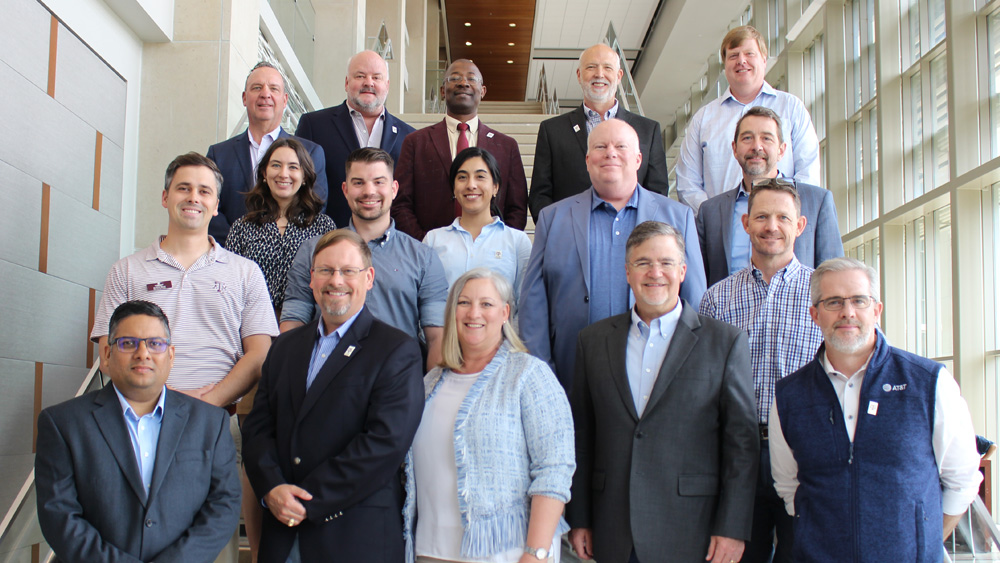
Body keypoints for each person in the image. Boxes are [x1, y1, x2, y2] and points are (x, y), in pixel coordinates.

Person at [91, 152, 279, 563]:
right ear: (164, 197)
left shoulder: (245, 272)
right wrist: (158, 403)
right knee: (131, 539)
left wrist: (203, 403)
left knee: (213, 546)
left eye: (204, 191)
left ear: (216, 204)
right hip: (137, 425)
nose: (193, 197)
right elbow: (107, 350)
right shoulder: (127, 271)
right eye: (183, 188)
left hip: (214, 424)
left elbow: (261, 353)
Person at [769, 257, 983, 562]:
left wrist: (923, 542)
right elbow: (789, 486)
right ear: (815, 314)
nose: (848, 312)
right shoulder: (789, 396)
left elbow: (962, 480)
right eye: (833, 302)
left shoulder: (928, 383)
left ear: (877, 310)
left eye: (859, 300)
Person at [568, 221, 757, 563]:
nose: (655, 272)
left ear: (683, 271)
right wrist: (579, 517)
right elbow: (583, 436)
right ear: (627, 272)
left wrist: (733, 526)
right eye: (643, 263)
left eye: (666, 263)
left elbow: (741, 445)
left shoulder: (725, 342)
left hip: (693, 530)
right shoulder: (592, 341)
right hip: (613, 529)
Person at [242, 229, 425, 563]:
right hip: (282, 536)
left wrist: (305, 501)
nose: (335, 280)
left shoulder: (396, 350)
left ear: (369, 278)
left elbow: (384, 444)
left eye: (347, 271)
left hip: (353, 538)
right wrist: (272, 489)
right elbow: (257, 428)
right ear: (311, 279)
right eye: (325, 270)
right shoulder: (284, 347)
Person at [37, 300, 241, 562]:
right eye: (128, 343)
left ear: (171, 355)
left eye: (155, 344)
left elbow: (224, 505)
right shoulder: (63, 423)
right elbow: (59, 515)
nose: (143, 353)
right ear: (107, 354)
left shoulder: (210, 423)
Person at [519, 118, 707, 391]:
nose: (610, 153)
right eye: (600, 146)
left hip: (657, 379)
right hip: (571, 377)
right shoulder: (552, 218)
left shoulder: (678, 217)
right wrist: (542, 374)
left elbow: (695, 302)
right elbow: (533, 304)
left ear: (639, 158)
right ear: (586, 159)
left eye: (621, 146)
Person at [403, 268, 575, 563]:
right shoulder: (429, 383)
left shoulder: (529, 374)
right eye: (464, 302)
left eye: (486, 304)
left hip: (506, 553)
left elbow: (554, 469)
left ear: (505, 312)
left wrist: (535, 553)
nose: (474, 313)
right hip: (430, 551)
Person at [699, 179, 823, 563]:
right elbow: (703, 382)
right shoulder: (717, 298)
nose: (772, 226)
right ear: (745, 223)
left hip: (806, 452)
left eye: (783, 217)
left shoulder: (825, 293)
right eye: (762, 216)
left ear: (799, 225)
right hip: (739, 454)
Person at [281, 148, 449, 371]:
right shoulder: (313, 251)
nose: (369, 191)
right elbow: (294, 323)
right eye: (358, 183)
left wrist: (427, 396)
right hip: (326, 378)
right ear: (345, 189)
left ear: (394, 188)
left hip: (397, 379)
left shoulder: (423, 257)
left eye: (379, 182)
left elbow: (437, 337)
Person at [675, 25, 820, 214]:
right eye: (733, 56)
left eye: (749, 54)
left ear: (764, 59)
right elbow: (687, 183)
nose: (741, 61)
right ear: (725, 64)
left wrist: (782, 213)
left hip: (779, 228)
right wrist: (716, 217)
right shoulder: (704, 119)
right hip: (722, 232)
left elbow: (808, 173)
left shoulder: (792, 108)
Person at [698, 106, 843, 287]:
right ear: (734, 149)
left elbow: (835, 277)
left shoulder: (817, 202)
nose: (757, 146)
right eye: (747, 138)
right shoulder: (710, 212)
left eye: (766, 138)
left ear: (782, 150)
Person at [528, 43, 669, 222]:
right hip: (572, 238)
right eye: (591, 67)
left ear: (618, 76)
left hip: (633, 241)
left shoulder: (648, 130)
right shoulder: (552, 130)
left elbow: (657, 193)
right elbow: (540, 195)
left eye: (607, 68)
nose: (599, 74)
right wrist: (558, 231)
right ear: (579, 75)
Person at [392, 59, 528, 240]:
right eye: (454, 78)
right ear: (442, 91)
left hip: (491, 255)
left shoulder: (506, 146)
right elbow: (401, 203)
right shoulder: (416, 142)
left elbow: (517, 207)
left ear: (483, 91)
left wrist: (498, 244)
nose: (463, 83)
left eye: (471, 79)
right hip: (428, 254)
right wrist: (424, 246)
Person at [207, 62, 328, 246]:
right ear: (244, 98)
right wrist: (240, 246)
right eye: (257, 88)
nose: (265, 94)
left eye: (273, 88)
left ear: (285, 100)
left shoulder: (311, 152)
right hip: (232, 260)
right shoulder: (218, 154)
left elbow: (315, 208)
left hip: (292, 262)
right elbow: (209, 207)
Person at [295, 50, 415, 227]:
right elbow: (300, 189)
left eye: (376, 77)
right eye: (360, 76)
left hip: (389, 245)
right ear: (346, 82)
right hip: (330, 241)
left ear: (387, 85)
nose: (369, 83)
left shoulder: (410, 137)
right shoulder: (313, 126)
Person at [225, 137, 337, 310]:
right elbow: (229, 284)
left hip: (304, 326)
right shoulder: (242, 227)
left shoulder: (323, 227)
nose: (283, 174)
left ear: (305, 176)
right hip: (251, 326)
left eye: (293, 167)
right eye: (276, 165)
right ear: (264, 173)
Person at [423, 147, 531, 314]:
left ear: (495, 187)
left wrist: (509, 340)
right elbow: (426, 301)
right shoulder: (433, 240)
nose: (471, 185)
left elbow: (526, 305)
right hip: (445, 338)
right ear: (453, 188)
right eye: (462, 177)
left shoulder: (517, 241)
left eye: (480, 176)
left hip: (502, 339)